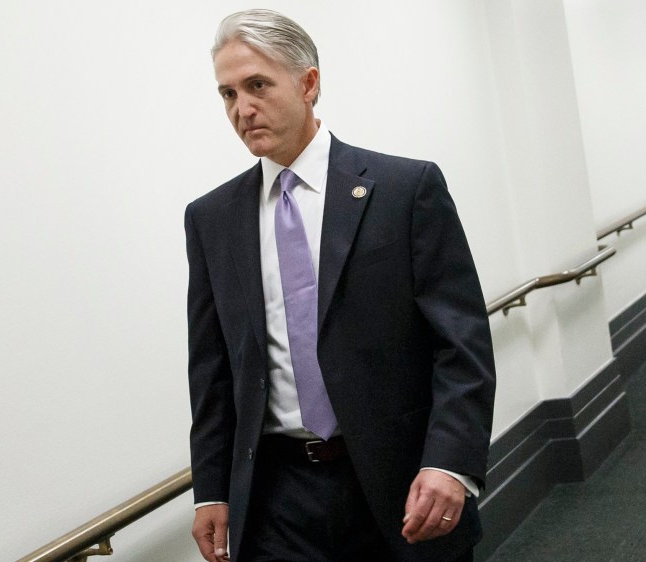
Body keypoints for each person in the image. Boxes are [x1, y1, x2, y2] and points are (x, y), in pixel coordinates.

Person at [185, 9, 496, 562]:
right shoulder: (212, 218)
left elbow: (461, 342)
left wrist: (450, 462)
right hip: (278, 497)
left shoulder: (404, 190)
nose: (242, 109)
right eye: (228, 94)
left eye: (257, 85)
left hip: (400, 482)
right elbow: (212, 369)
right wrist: (211, 489)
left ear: (308, 84)